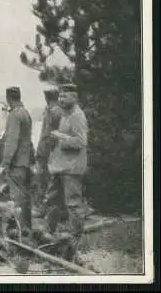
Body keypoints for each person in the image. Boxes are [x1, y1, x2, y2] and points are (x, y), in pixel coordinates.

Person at [42, 83, 89, 239]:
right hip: (60, 166)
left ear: (74, 98)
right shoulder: (64, 114)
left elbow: (81, 142)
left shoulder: (77, 116)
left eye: (65, 96)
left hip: (72, 168)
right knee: (51, 199)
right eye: (60, 96)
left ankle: (75, 237)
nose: (61, 99)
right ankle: (48, 232)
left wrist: (60, 138)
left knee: (73, 203)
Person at [0, 86, 35, 232]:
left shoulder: (14, 114)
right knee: (25, 196)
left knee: (16, 197)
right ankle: (27, 228)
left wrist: (5, 162)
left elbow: (12, 141)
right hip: (25, 161)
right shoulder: (25, 113)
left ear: (8, 99)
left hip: (16, 163)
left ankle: (18, 231)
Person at [33, 88, 63, 217]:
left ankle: (43, 209)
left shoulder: (54, 111)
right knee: (45, 180)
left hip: (47, 151)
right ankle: (48, 209)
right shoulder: (51, 110)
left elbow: (51, 134)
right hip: (46, 150)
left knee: (45, 181)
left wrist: (49, 149)